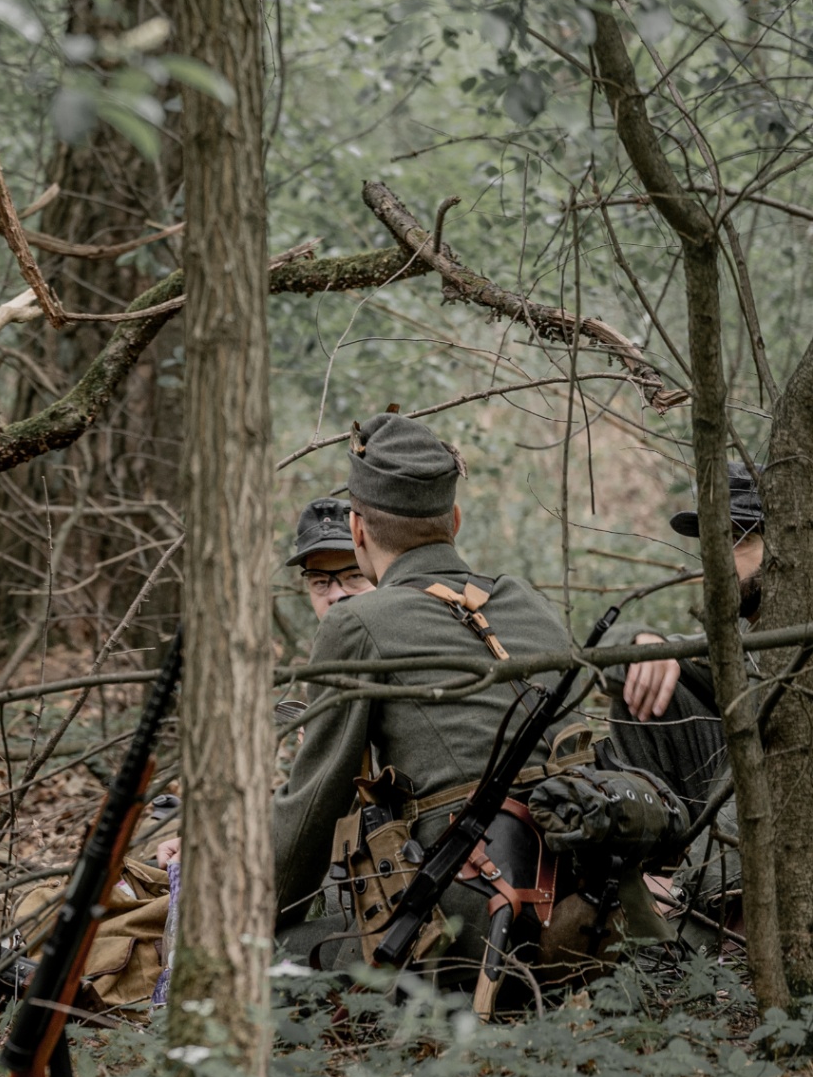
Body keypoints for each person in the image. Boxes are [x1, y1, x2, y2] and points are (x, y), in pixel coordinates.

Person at [271, 413, 586, 980]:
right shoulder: (524, 598)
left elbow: (313, 808)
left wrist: (242, 908)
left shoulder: (357, 623)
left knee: (275, 956)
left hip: (468, 918)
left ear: (358, 529)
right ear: (456, 520)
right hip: (583, 890)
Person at [157, 495, 375, 867]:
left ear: (376, 569)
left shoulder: (384, 648)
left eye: (353, 575)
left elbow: (314, 811)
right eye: (321, 582)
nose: (336, 594)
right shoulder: (329, 661)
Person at [602, 461, 760, 912]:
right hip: (713, 844)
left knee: (765, 721)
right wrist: (641, 643)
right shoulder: (741, 639)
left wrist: (691, 891)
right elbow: (611, 662)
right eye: (712, 543)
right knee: (645, 682)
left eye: (737, 539)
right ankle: (658, 865)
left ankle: (703, 902)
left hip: (742, 871)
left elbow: (755, 763)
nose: (717, 560)